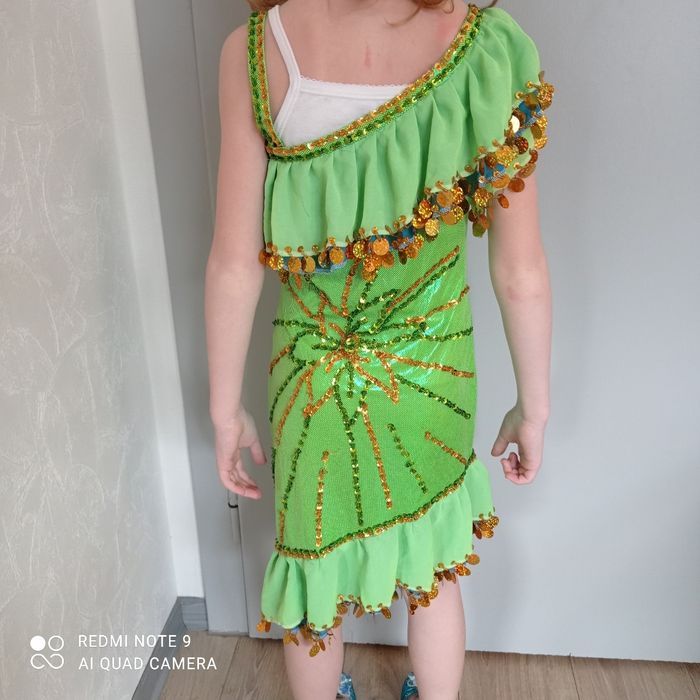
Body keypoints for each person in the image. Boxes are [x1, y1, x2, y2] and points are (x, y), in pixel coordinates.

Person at [205, 0, 554, 698]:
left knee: (314, 580)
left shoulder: (256, 53)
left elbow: (234, 266)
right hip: (433, 376)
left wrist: (224, 409)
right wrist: (533, 407)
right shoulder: (484, 51)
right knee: (435, 573)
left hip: (312, 384)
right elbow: (520, 273)